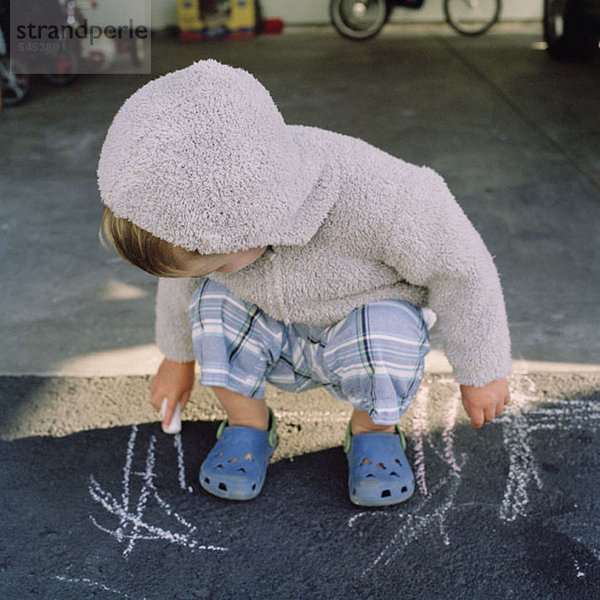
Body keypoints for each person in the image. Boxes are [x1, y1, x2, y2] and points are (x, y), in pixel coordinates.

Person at [97, 59, 511, 507]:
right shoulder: (203, 221)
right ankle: (247, 425)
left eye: (216, 263)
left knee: (389, 332)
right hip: (272, 329)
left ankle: (372, 431)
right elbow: (184, 279)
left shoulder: (387, 196)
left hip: (359, 326)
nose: (209, 272)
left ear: (246, 225)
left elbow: (462, 269)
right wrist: (177, 358)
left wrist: (481, 370)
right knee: (210, 305)